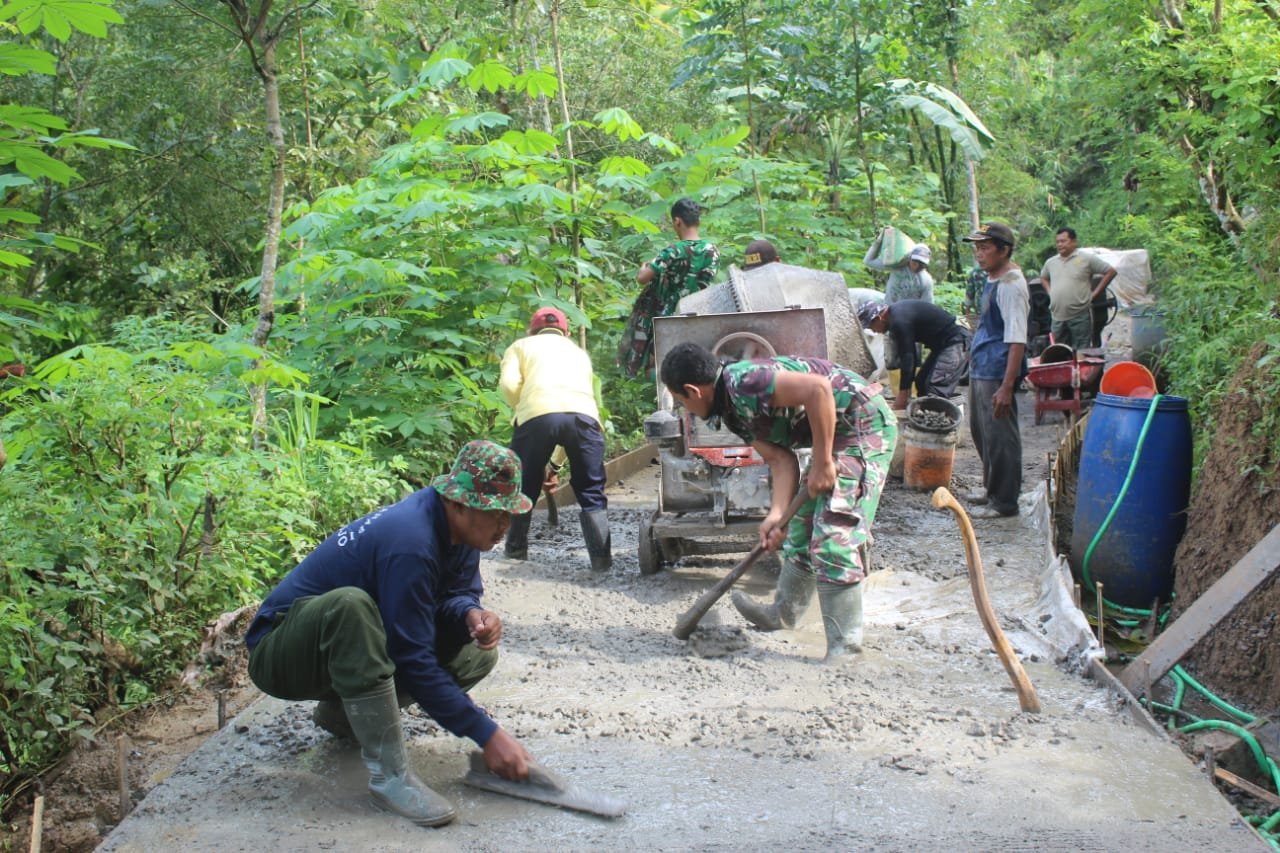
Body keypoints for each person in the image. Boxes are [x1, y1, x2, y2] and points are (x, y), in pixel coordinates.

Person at [243, 441, 535, 828]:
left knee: (476, 653)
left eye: (507, 515)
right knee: (350, 606)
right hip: (281, 651)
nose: (504, 526)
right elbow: (413, 658)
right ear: (458, 503)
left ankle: (344, 715)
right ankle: (390, 778)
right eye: (495, 514)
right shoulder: (410, 541)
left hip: (343, 648)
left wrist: (471, 612)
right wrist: (487, 733)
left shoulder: (462, 534)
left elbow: (452, 596)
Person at [659, 342, 897, 661]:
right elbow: (780, 459)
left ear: (692, 390)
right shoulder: (730, 410)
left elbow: (818, 390)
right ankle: (784, 614)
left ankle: (846, 651)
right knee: (800, 530)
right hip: (833, 435)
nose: (686, 410)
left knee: (833, 535)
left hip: (862, 427)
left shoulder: (742, 382)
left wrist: (824, 463)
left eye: (681, 402)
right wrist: (776, 515)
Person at [500, 306, 610, 571]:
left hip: (536, 416)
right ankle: (601, 561)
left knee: (524, 484)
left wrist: (522, 406)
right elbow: (567, 419)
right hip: (584, 418)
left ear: (532, 330)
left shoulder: (520, 346)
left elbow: (508, 385)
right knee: (591, 489)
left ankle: (516, 550)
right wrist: (556, 465)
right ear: (567, 331)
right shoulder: (579, 353)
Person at [962, 222, 1029, 519]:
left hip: (997, 371)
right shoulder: (993, 279)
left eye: (985, 247)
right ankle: (991, 487)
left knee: (1001, 435)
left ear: (1004, 250)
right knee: (982, 431)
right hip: (982, 366)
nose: (979, 254)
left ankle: (1004, 501)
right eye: (977, 248)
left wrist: (1006, 385)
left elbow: (1017, 339)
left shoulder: (1012, 286)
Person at [617, 198, 720, 377]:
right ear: (698, 221)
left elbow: (643, 278)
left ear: (677, 221)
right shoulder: (712, 251)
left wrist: (643, 267)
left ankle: (660, 398)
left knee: (657, 362)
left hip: (668, 316)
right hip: (699, 314)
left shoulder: (673, 251)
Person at [856, 299, 970, 410]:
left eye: (872, 327)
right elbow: (910, 355)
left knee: (935, 388)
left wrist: (903, 394)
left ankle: (943, 421)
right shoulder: (896, 315)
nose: (875, 331)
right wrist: (905, 391)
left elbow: (908, 357)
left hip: (956, 341)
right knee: (921, 382)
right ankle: (925, 418)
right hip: (942, 345)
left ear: (878, 318)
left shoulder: (899, 320)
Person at [1039, 227, 1117, 350]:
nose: (1059, 244)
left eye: (1063, 241)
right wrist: (1050, 292)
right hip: (1057, 317)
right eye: (1057, 242)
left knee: (1081, 351)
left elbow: (1110, 272)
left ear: (1074, 242)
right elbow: (1043, 278)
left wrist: (1094, 294)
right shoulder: (1051, 262)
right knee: (1059, 352)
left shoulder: (1086, 259)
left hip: (1079, 315)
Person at [865, 238, 934, 304]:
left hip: (910, 313)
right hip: (888, 309)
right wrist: (878, 243)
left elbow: (927, 305)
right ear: (909, 258)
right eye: (915, 262)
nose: (917, 266)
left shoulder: (926, 280)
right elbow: (868, 261)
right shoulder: (897, 266)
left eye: (921, 264)